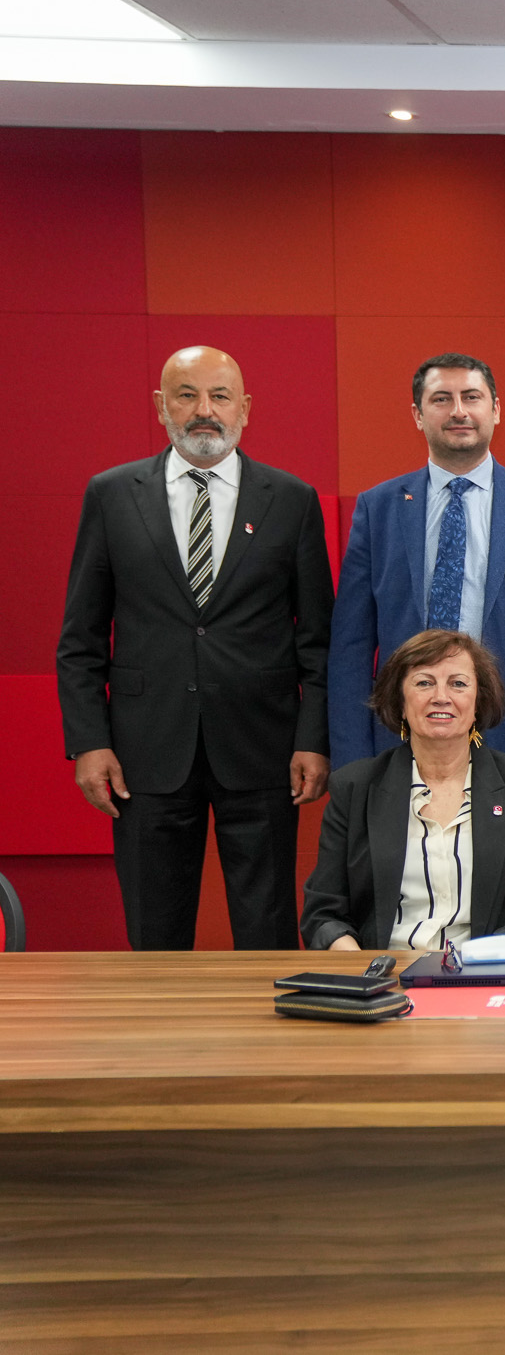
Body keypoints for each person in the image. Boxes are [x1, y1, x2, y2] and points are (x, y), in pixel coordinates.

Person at [57, 346, 332, 951]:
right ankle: (159, 1021)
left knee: (267, 934)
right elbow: (80, 639)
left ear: (245, 408)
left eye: (220, 396)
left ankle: (264, 1020)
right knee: (154, 934)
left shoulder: (292, 499)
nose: (204, 409)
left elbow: (317, 639)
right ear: (161, 406)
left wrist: (314, 739)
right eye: (187, 395)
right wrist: (89, 742)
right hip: (144, 751)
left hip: (262, 749)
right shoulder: (111, 494)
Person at [327, 353, 505, 824]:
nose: (459, 411)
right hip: (397, 740)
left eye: (472, 397)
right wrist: (351, 763)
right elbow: (350, 647)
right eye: (441, 399)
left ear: (496, 409)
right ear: (417, 414)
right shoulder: (378, 508)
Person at [300, 630, 505, 951]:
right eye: (424, 683)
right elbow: (323, 912)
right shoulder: (355, 788)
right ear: (400, 702)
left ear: (479, 702)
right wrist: (358, 963)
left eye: (458, 684)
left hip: (483, 969)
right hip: (382, 969)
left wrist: (490, 960)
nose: (441, 697)